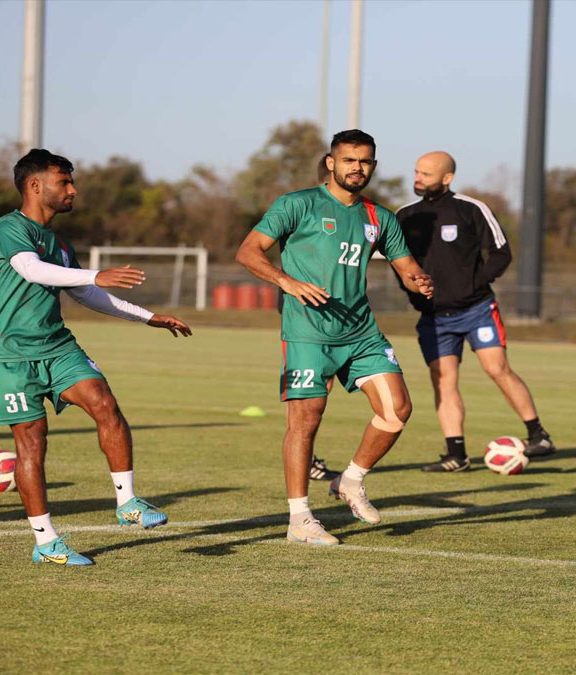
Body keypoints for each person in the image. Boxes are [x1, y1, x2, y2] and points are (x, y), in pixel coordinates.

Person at [0, 149, 192, 566]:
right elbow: (31, 269)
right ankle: (46, 542)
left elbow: (86, 293)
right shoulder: (7, 229)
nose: (73, 190)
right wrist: (94, 273)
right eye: (66, 182)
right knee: (31, 446)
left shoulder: (60, 244)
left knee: (104, 404)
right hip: (10, 356)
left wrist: (149, 317)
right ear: (36, 185)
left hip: (57, 345)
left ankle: (128, 503)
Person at [235, 129, 434, 545]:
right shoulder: (297, 204)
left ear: (373, 166)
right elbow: (249, 251)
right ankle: (299, 519)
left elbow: (406, 269)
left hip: (360, 331)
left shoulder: (381, 218)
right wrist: (286, 282)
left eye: (364, 162)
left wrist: (420, 282)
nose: (356, 168)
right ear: (331, 162)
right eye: (348, 160)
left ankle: (351, 480)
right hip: (308, 332)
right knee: (306, 421)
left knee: (397, 410)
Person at [395, 151, 554, 472]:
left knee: (497, 369)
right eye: (417, 172)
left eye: (426, 174)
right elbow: (398, 265)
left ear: (447, 178)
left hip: (477, 308)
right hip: (434, 318)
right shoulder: (404, 215)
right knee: (444, 381)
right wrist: (414, 295)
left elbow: (500, 253)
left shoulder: (471, 209)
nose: (418, 178)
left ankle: (539, 436)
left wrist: (472, 285)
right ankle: (456, 455)